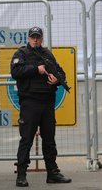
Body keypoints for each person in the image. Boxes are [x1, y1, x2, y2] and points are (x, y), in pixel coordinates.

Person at [10, 26, 72, 187]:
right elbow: (15, 72)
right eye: (33, 37)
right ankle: (21, 175)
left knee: (49, 139)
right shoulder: (21, 54)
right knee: (27, 140)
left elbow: (61, 72)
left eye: (38, 37)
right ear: (28, 38)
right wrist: (36, 69)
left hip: (47, 102)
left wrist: (57, 80)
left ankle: (52, 173)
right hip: (30, 102)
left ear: (42, 38)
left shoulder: (47, 54)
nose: (35, 39)